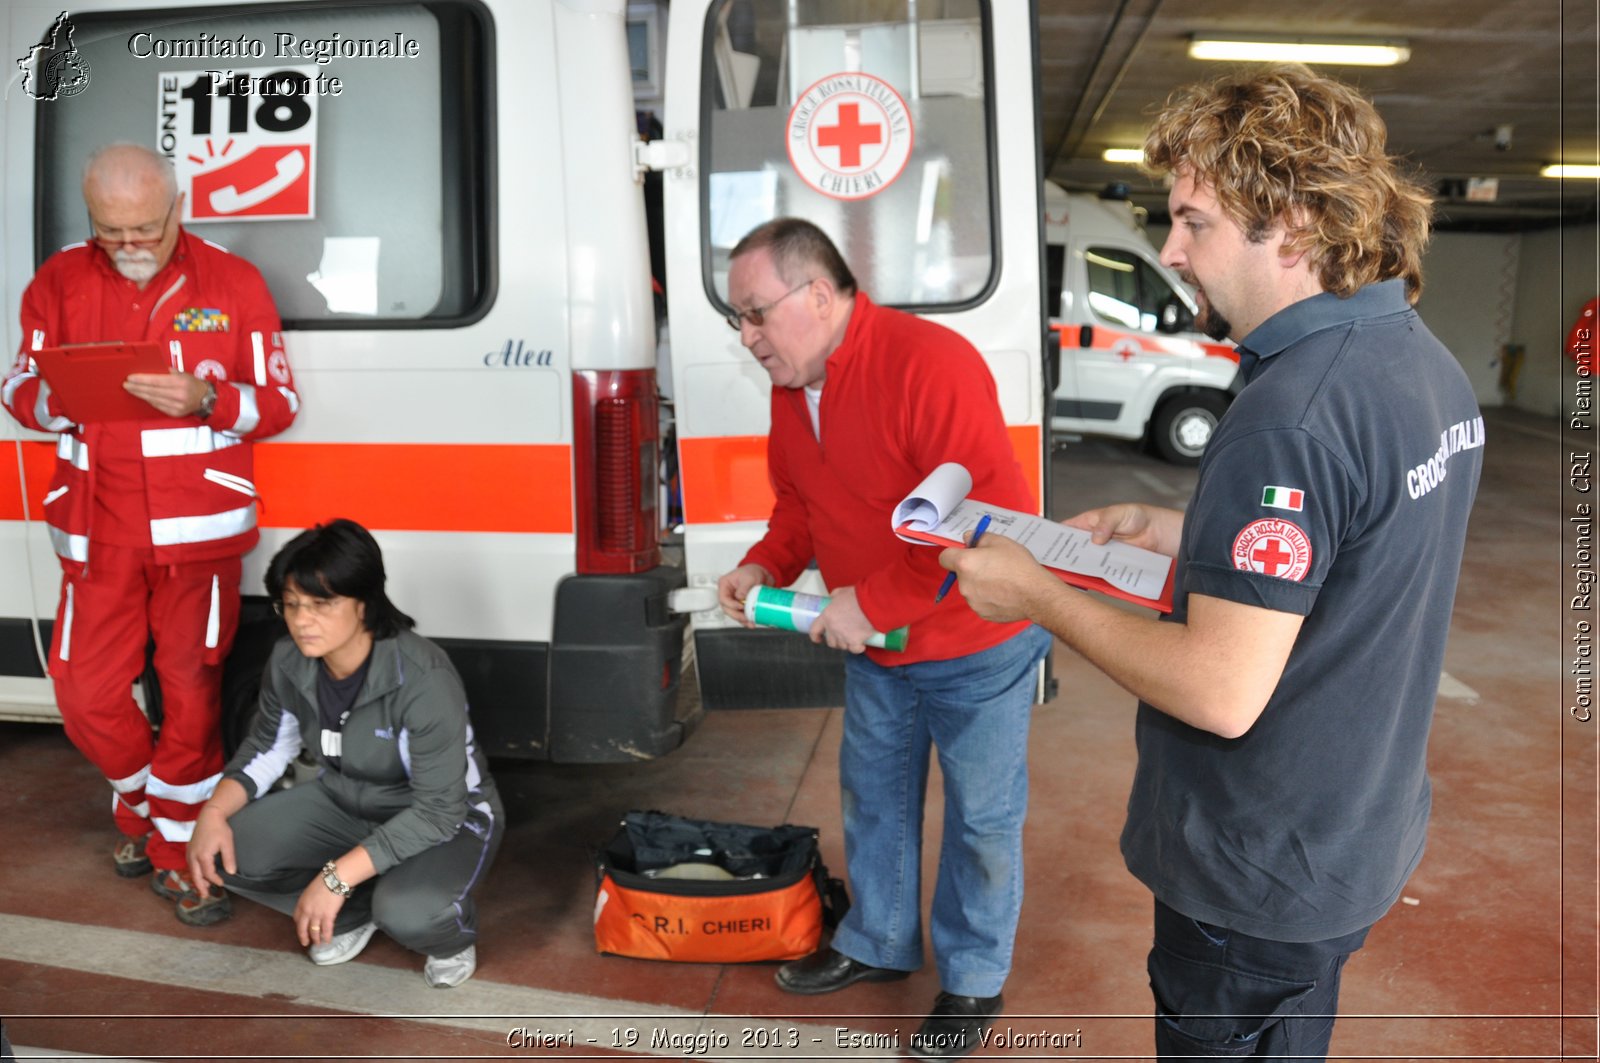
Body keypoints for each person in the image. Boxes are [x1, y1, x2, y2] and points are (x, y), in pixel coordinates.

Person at [940, 65, 1484, 1059]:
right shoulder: (1416, 360)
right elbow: (1355, 550)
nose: (1168, 248)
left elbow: (1220, 690)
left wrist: (1036, 593)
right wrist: (1193, 535)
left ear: (1294, 221)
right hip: (1354, 835)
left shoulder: (1288, 415)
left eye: (1193, 222)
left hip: (1257, 872)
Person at [715, 219, 1053, 1061]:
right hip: (881, 646)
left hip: (975, 639)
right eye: (739, 320)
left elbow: (972, 526)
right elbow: (800, 503)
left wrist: (867, 601)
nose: (749, 337)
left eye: (756, 313)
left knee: (981, 816)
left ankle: (973, 976)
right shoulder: (796, 388)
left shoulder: (927, 365)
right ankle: (878, 940)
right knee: (875, 797)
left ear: (820, 295)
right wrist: (764, 565)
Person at [1, 142, 299, 923]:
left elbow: (278, 401)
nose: (130, 246)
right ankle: (141, 803)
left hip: (198, 536)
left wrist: (208, 396)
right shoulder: (59, 280)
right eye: (111, 231)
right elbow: (17, 386)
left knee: (192, 695)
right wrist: (55, 400)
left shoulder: (233, 282)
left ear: (179, 209)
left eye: (144, 229)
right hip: (96, 530)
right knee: (84, 694)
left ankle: (175, 850)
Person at [186, 519, 502, 988]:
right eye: (290, 605)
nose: (301, 620)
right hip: (344, 800)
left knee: (410, 913)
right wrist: (213, 811)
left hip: (446, 817)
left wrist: (334, 876)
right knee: (226, 851)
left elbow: (439, 810)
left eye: (321, 604)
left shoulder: (423, 678)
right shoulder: (289, 661)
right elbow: (267, 747)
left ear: (364, 603)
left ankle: (448, 937)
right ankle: (355, 911)